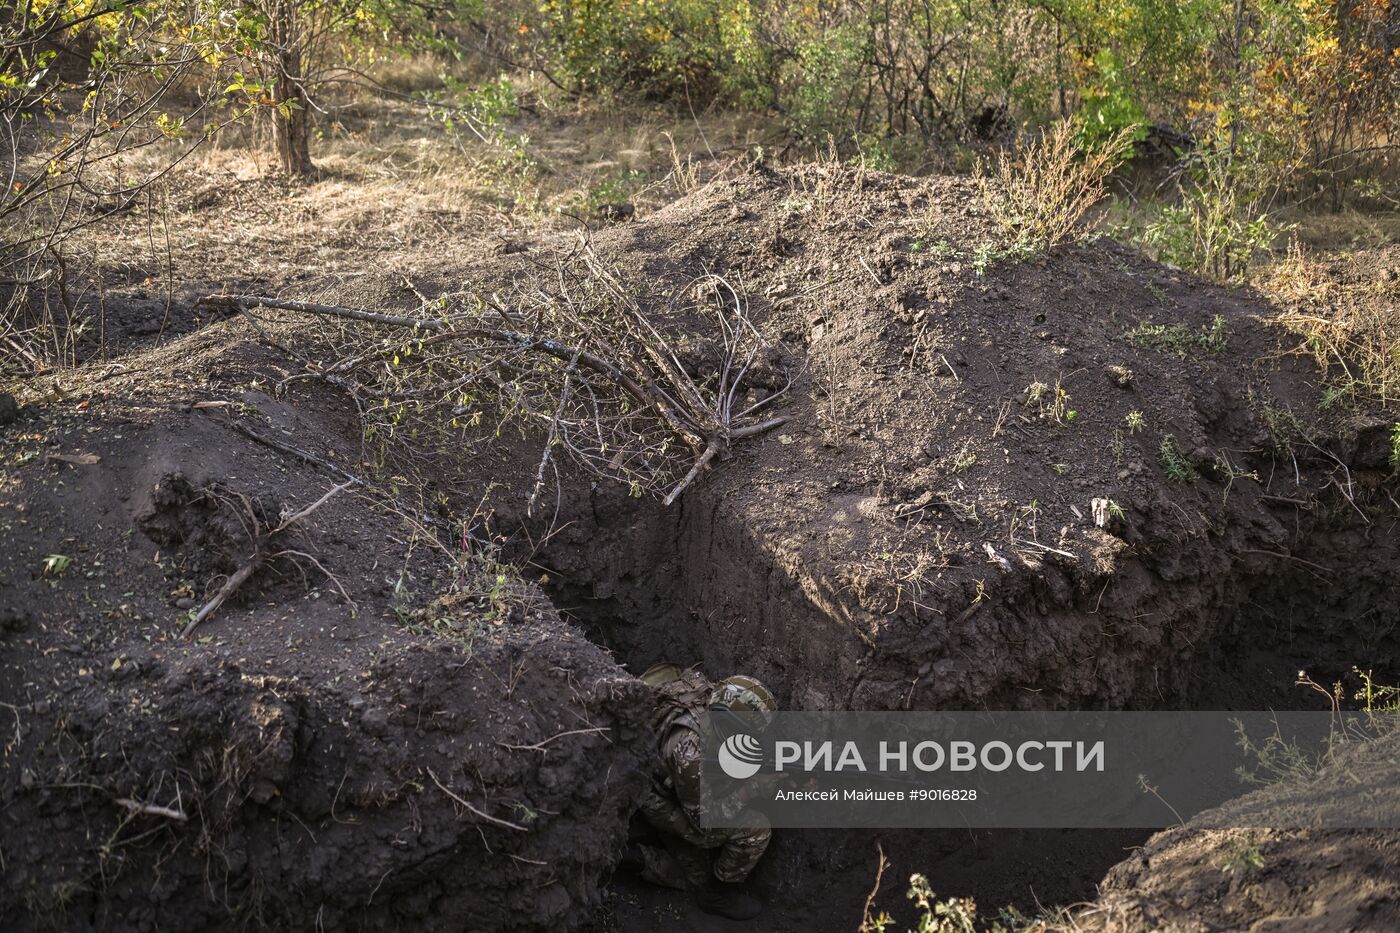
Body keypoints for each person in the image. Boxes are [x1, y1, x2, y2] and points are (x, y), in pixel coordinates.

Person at [629, 663, 777, 921]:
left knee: (694, 868)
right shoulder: (690, 752)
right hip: (657, 799)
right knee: (755, 831)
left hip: (673, 783)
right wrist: (752, 790)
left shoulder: (713, 703)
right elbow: (704, 824)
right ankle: (623, 856)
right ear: (732, 727)